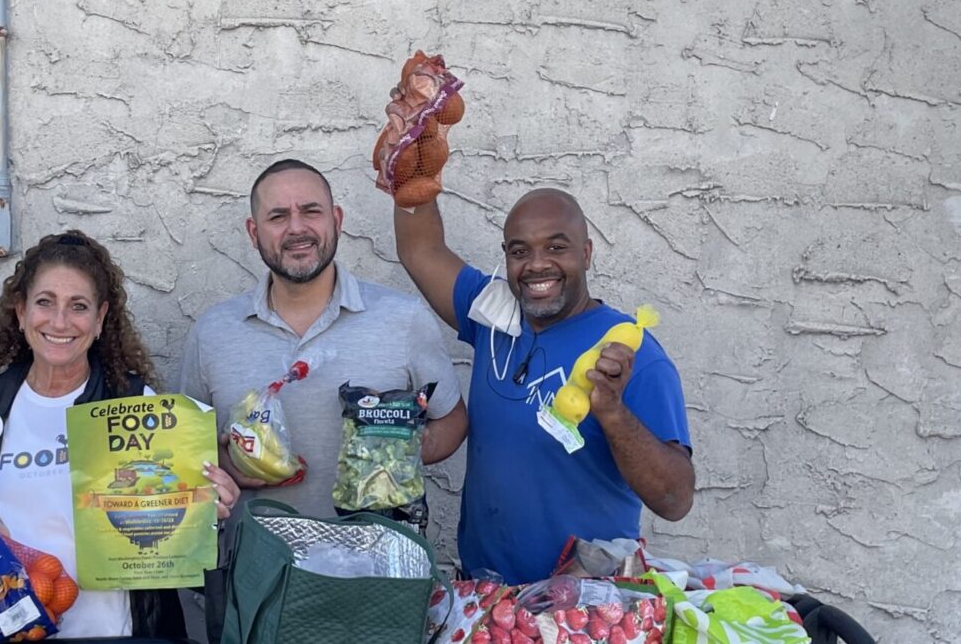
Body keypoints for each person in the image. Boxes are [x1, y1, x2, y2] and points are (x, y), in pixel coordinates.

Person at [178, 159, 468, 640]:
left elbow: (452, 421)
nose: (297, 228)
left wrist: (394, 457)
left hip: (377, 583)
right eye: (278, 216)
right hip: (256, 584)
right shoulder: (213, 333)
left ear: (336, 220)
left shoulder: (401, 319)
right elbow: (185, 459)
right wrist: (226, 467)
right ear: (253, 232)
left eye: (310, 211)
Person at [0, 230, 240, 639]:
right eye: (45, 302)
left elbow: (171, 509)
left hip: (124, 632)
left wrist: (205, 506)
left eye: (78, 306)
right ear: (21, 311)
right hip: (16, 630)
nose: (59, 321)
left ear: (100, 319)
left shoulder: (139, 405)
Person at [393, 187, 695, 585]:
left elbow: (675, 500)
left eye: (556, 247)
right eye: (520, 251)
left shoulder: (627, 351)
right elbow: (421, 249)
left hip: (584, 601)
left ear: (586, 253)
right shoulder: (491, 316)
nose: (537, 264)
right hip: (486, 596)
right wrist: (412, 172)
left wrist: (612, 412)